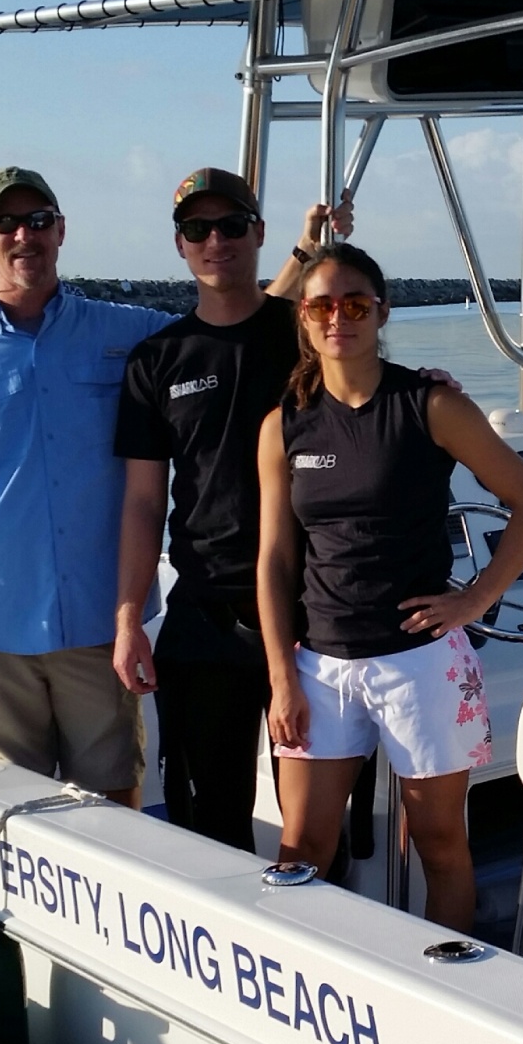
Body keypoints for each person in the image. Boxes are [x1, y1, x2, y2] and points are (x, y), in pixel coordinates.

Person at [257, 243, 523, 930]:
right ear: (304, 318)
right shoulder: (283, 427)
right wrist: (281, 677)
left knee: (441, 843)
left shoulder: (431, 404)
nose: (340, 318)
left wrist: (476, 599)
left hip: (419, 660)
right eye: (323, 305)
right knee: (300, 848)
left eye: (355, 303)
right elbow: (274, 558)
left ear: (381, 312)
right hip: (318, 666)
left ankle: (455, 988)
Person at [0, 167, 176, 806]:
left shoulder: (123, 332)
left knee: (113, 801)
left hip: (98, 623)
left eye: (39, 220)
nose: (26, 235)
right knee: (10, 809)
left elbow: (222, 333)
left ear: (61, 231)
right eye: (8, 223)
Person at [110, 167, 350, 847]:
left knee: (313, 831)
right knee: (207, 826)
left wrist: (430, 386)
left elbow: (375, 389)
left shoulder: (307, 335)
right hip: (205, 618)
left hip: (315, 612)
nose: (216, 240)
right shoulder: (157, 359)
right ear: (181, 245)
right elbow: (142, 502)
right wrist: (130, 618)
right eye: (197, 229)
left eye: (232, 225)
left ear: (259, 233)